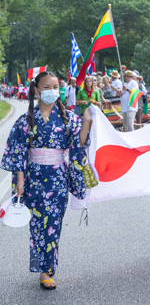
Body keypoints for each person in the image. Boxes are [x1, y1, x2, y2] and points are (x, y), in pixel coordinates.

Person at [0, 71, 87, 289]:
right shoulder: (25, 120)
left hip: (58, 179)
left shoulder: (68, 117)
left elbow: (80, 142)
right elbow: (18, 151)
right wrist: (20, 182)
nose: (52, 91)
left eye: (56, 86)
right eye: (47, 87)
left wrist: (87, 121)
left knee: (53, 225)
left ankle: (48, 270)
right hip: (34, 179)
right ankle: (42, 270)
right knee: (38, 226)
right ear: (37, 90)